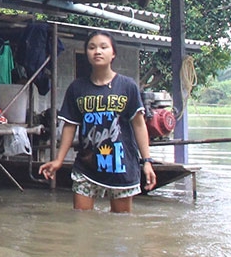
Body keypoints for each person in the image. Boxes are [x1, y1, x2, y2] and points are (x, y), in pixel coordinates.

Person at [39, 29, 156, 212]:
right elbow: (70, 126)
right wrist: (58, 160)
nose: (97, 51)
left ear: (113, 53)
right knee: (81, 222)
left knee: (120, 225)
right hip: (87, 166)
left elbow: (139, 125)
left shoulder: (127, 86)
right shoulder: (77, 88)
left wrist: (147, 161)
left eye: (103, 47)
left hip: (121, 165)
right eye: (92, 47)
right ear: (87, 53)